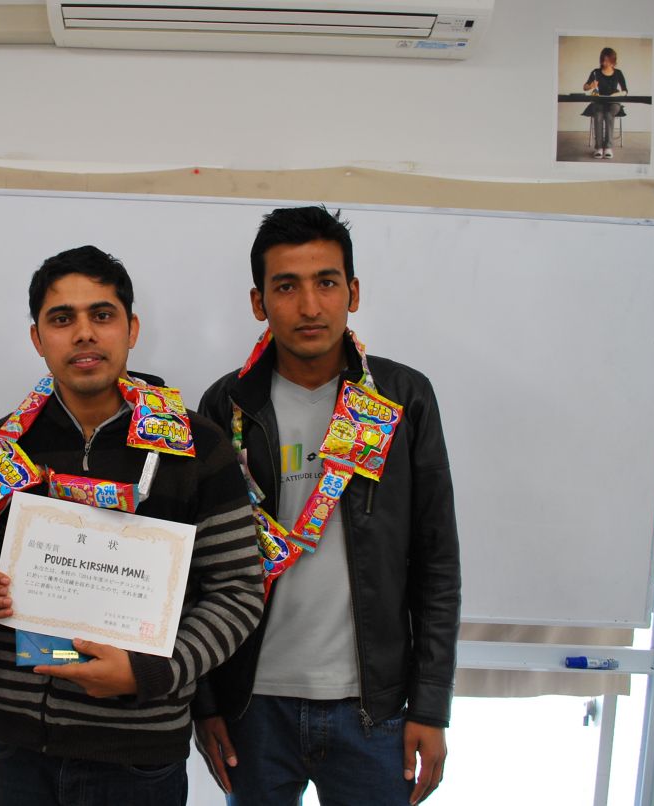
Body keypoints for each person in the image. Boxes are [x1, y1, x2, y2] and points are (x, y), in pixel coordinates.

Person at [0, 245, 265, 806]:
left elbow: (238, 591)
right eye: (61, 319)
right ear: (37, 338)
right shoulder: (7, 441)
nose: (84, 334)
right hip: (19, 745)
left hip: (138, 754)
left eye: (102, 315)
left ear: (131, 328)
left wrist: (151, 671)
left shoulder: (196, 445)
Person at [193, 206, 460, 806]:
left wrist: (431, 705)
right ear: (259, 302)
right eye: (287, 286)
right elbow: (198, 567)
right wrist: (205, 704)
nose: (310, 306)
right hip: (252, 704)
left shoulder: (403, 399)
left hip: (375, 709)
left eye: (327, 282)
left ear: (353, 293)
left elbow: (437, 561)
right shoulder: (225, 405)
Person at [582, 46, 628, 159]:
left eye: (608, 60)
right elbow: (585, 87)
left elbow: (625, 90)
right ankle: (598, 148)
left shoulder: (618, 73)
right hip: (599, 101)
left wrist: (618, 94)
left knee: (608, 114)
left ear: (613, 61)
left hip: (614, 102)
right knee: (598, 115)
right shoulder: (596, 72)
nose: (605, 63)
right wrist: (590, 86)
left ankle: (608, 148)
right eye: (603, 60)